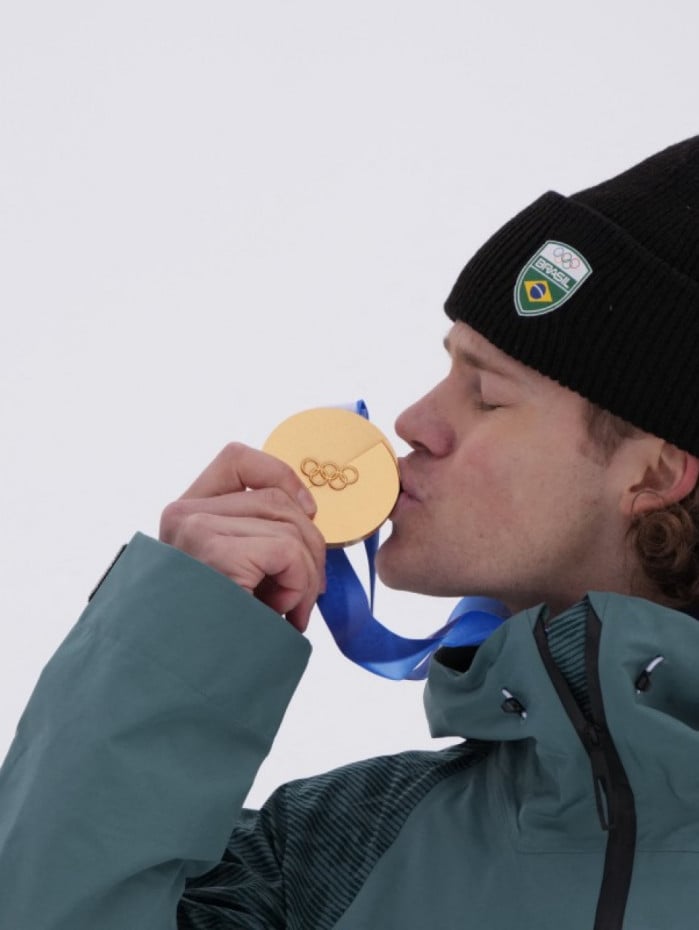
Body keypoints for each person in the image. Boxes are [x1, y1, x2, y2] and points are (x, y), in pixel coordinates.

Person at [2, 136, 699, 930]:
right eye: (446, 372)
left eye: (485, 394)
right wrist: (176, 640)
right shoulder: (331, 851)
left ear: (650, 474)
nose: (413, 422)